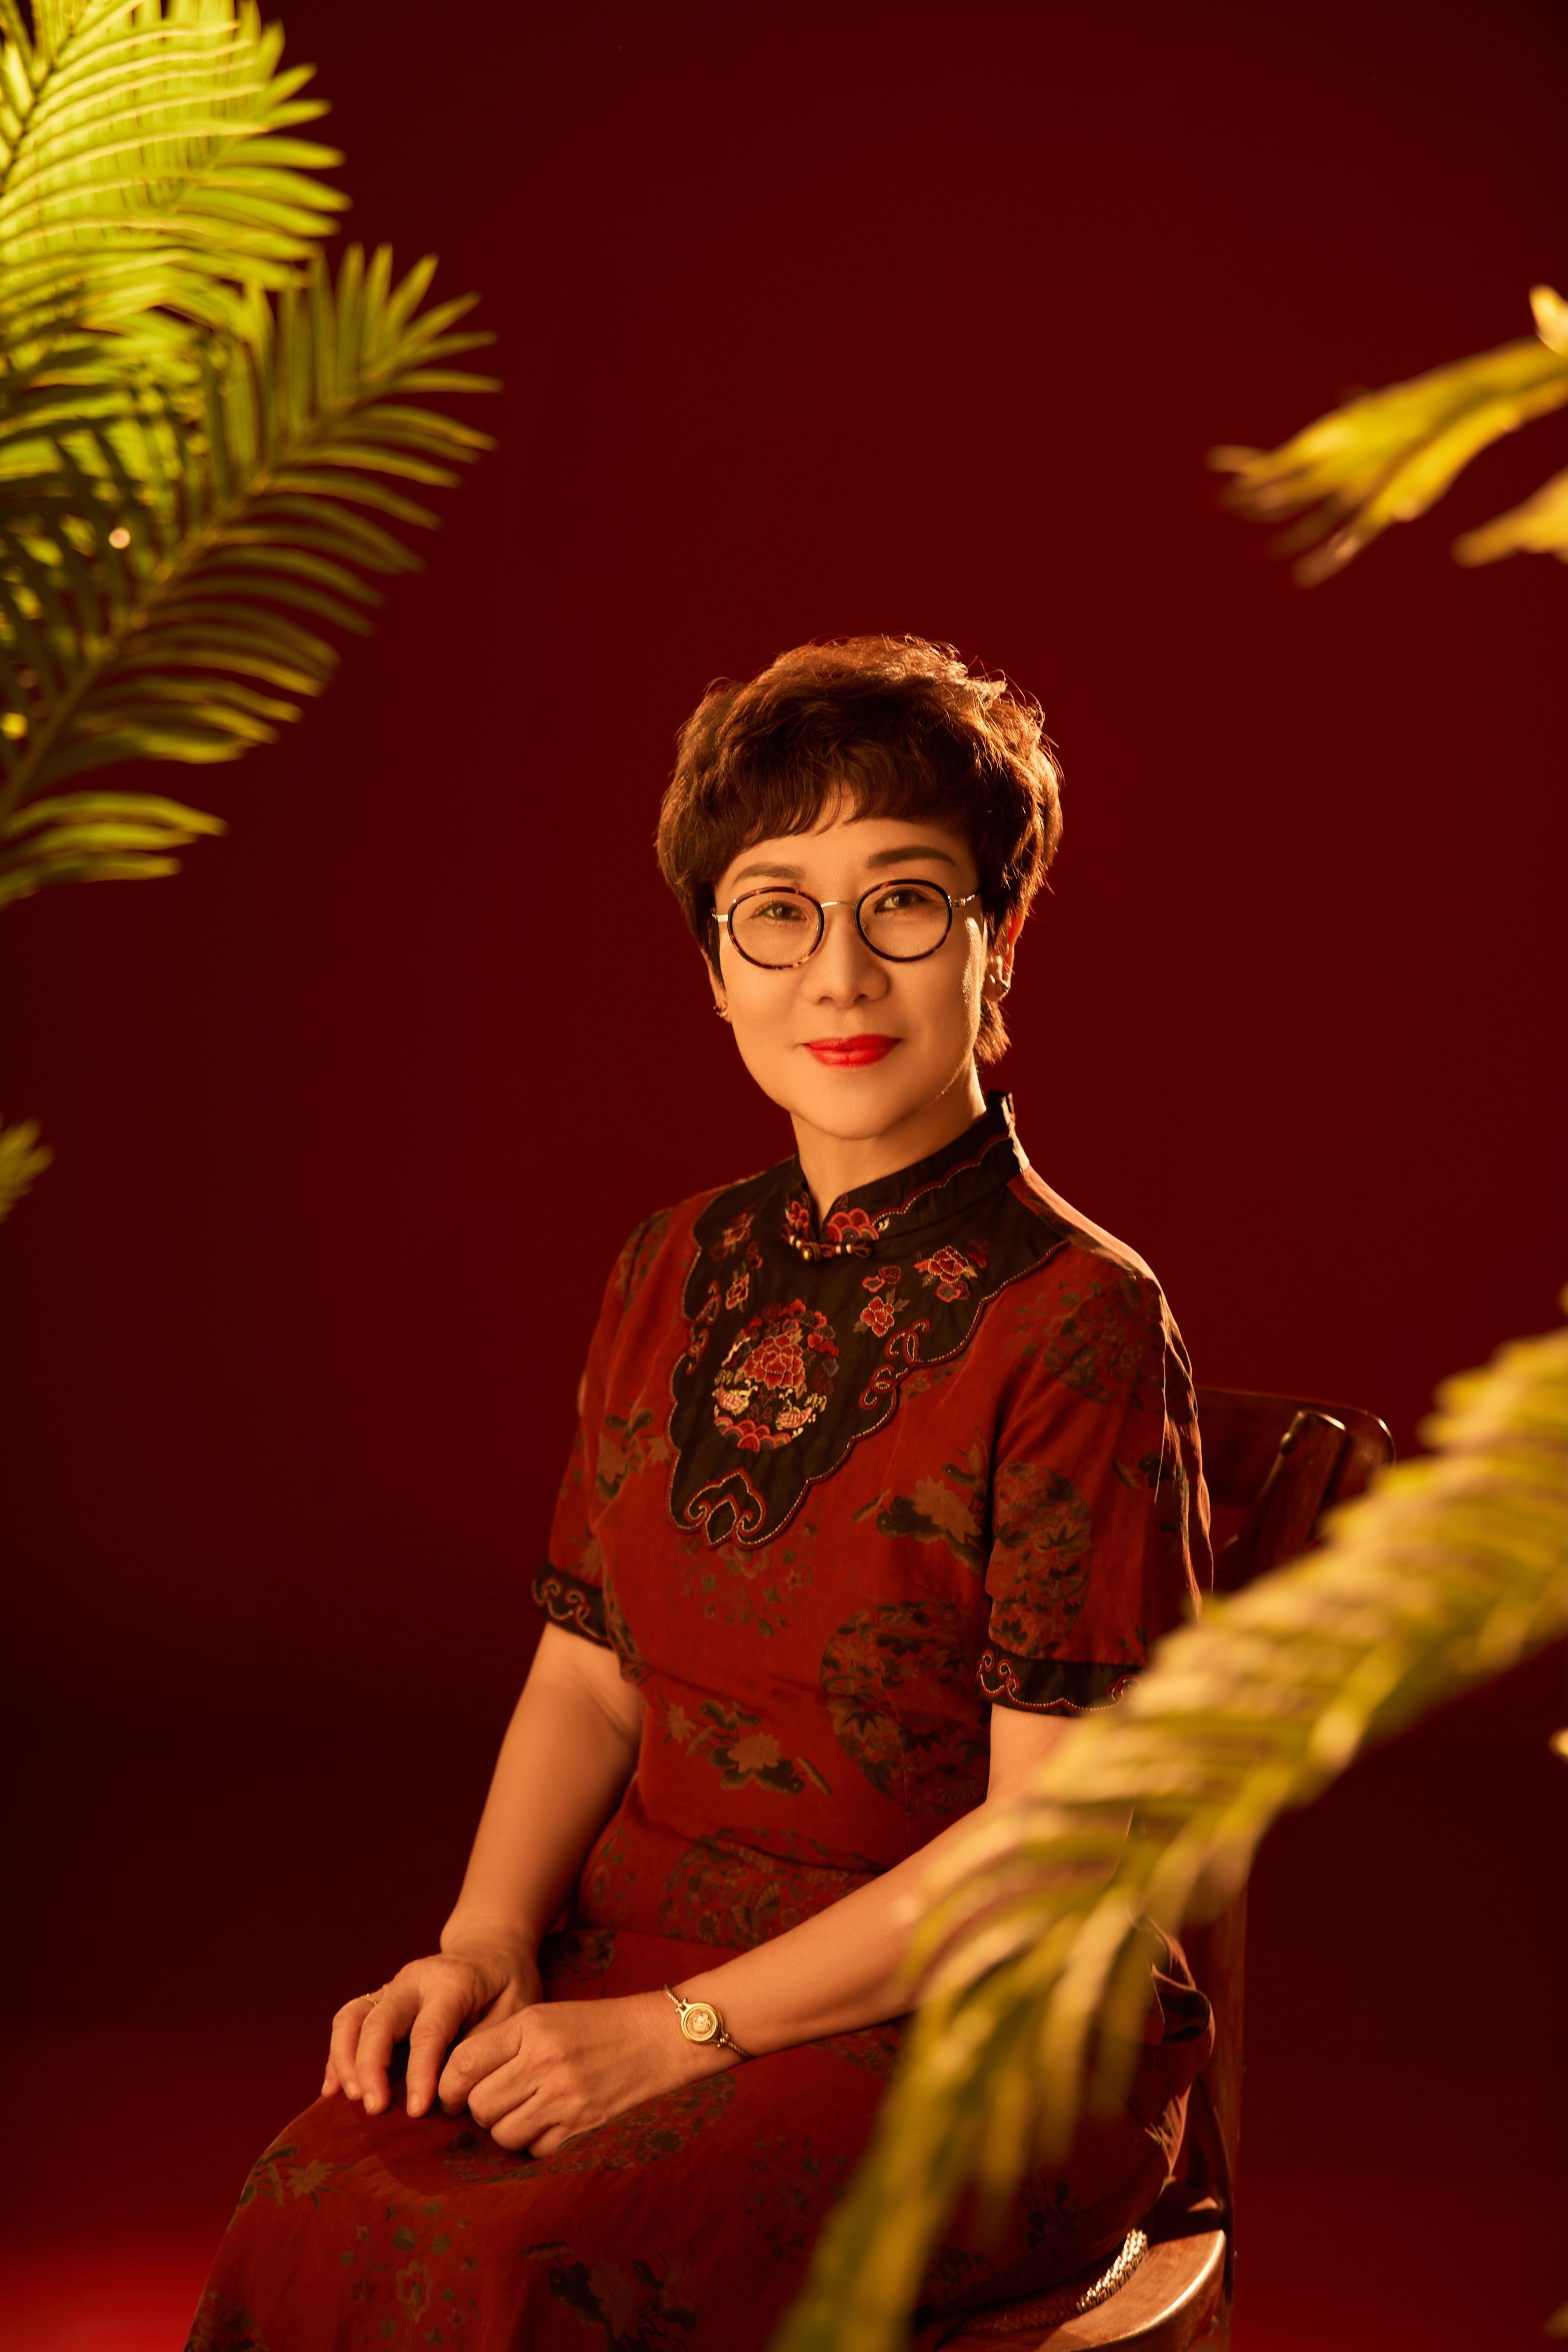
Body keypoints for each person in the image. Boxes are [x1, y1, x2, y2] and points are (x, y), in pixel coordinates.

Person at [188, 636, 1213, 2352]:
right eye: (776, 914)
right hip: (638, 1956)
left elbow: (1052, 1849)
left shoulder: (1081, 1317)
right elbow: (589, 1675)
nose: (840, 973)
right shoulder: (670, 1264)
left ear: (998, 939)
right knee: (312, 2203)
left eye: (905, 903)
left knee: (520, 2267)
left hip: (973, 2026)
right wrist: (484, 1942)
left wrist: (681, 2036)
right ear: (714, 971)